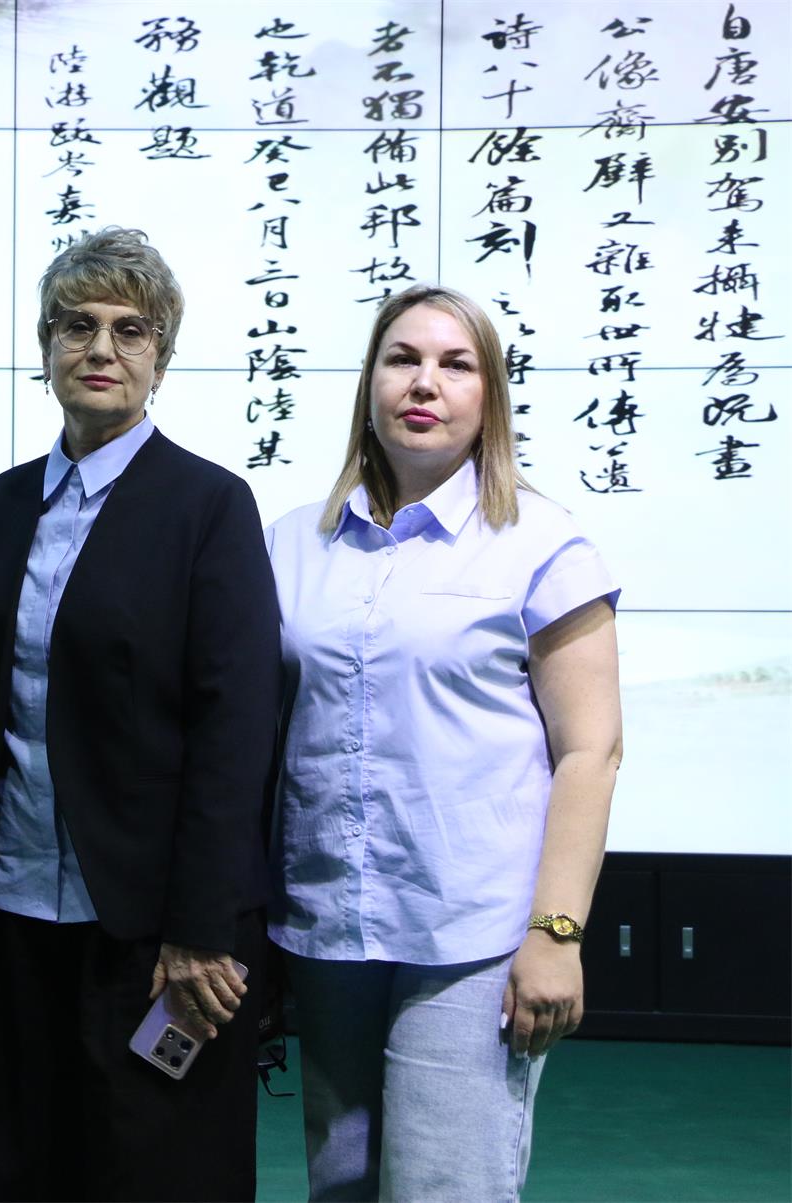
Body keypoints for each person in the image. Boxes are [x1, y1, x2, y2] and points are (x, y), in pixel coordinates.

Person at [0, 227, 281, 1202]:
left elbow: (234, 729)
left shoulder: (208, 504)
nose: (100, 348)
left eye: (131, 330)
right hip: (11, 905)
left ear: (160, 357)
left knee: (155, 1166)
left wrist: (200, 926)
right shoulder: (2, 504)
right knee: (21, 1158)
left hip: (151, 922)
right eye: (75, 325)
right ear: (44, 346)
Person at [266, 285, 622, 1200]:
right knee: (339, 1184)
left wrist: (555, 933)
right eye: (402, 359)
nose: (424, 382)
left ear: (488, 396)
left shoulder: (542, 543)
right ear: (369, 385)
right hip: (327, 926)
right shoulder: (291, 544)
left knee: (442, 1187)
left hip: (472, 933)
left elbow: (590, 751)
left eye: (454, 365)